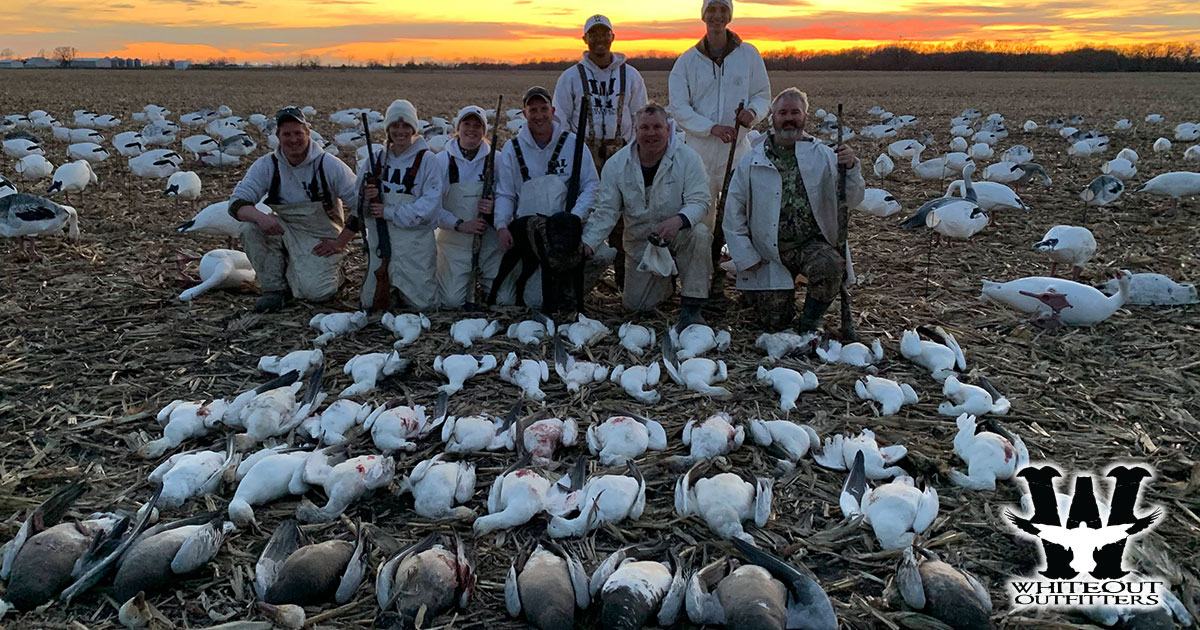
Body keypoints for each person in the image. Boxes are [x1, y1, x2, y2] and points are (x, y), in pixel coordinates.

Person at [722, 88, 865, 332]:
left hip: (810, 245)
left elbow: (851, 200)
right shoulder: (752, 160)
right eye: (783, 113)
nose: (789, 118)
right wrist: (746, 256)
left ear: (805, 116)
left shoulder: (824, 155)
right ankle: (757, 295)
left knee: (830, 265)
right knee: (773, 323)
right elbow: (733, 211)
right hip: (767, 252)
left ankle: (810, 322)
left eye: (795, 112)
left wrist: (851, 168)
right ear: (773, 118)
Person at [667, 0, 770, 300]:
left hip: (737, 152)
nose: (716, 16)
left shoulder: (749, 55)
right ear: (703, 15)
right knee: (701, 220)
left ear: (730, 15)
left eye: (722, 10)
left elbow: (763, 95)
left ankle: (746, 283)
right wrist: (710, 127)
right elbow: (679, 107)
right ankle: (701, 283)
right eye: (711, 10)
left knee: (740, 216)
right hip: (698, 154)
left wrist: (752, 113)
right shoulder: (687, 62)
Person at [583, 103, 712, 327]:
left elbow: (700, 201)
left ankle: (692, 306)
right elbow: (606, 211)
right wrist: (588, 243)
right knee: (637, 307)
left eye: (657, 127)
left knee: (700, 234)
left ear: (668, 129)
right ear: (636, 131)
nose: (651, 133)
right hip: (642, 242)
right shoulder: (617, 165)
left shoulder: (688, 159)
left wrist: (679, 220)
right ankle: (665, 282)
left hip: (678, 234)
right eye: (645, 127)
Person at [228, 107, 359, 313]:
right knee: (250, 228)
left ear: (308, 133)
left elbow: (362, 204)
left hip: (321, 236)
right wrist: (260, 217)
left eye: (298, 133)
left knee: (317, 293)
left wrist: (340, 242)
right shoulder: (267, 165)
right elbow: (236, 203)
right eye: (287, 134)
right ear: (278, 136)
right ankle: (275, 290)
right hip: (285, 228)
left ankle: (336, 272)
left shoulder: (329, 165)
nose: (293, 139)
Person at [553, 14, 649, 288]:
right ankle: (577, 282)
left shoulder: (630, 75)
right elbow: (560, 121)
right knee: (581, 214)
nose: (599, 39)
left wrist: (635, 153)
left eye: (604, 33)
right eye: (593, 34)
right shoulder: (571, 77)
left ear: (612, 37)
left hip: (622, 153)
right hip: (583, 154)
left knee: (625, 217)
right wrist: (572, 155)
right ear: (584, 39)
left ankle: (626, 283)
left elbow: (640, 115)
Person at [494, 85, 612, 307]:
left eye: (544, 109)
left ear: (553, 111)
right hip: (532, 239)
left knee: (602, 253)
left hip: (564, 233)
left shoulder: (573, 144)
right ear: (524, 114)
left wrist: (575, 218)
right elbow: (505, 193)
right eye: (533, 110)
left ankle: (570, 291)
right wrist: (501, 225)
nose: (539, 115)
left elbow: (591, 186)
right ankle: (555, 288)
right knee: (535, 300)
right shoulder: (512, 148)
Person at [358, 99, 442, 311]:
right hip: (381, 242)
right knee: (370, 304)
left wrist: (388, 212)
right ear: (387, 129)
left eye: (406, 125)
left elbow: (429, 207)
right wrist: (366, 197)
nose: (400, 131)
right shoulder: (375, 159)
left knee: (422, 305)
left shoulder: (428, 161)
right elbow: (356, 204)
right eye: (394, 125)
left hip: (415, 246)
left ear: (414, 128)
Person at [433, 105, 495, 308]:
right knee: (452, 302)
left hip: (489, 242)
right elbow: (431, 207)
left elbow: (509, 198)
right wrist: (460, 224)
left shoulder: (497, 159)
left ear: (484, 130)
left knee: (504, 299)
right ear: (457, 128)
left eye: (478, 125)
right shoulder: (441, 161)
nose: (471, 129)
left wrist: (494, 208)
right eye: (466, 124)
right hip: (453, 243)